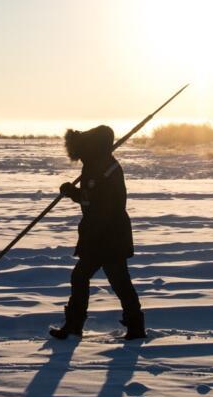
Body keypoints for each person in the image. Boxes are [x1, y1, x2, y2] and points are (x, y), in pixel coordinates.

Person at [49, 125, 147, 340]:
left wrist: (76, 194)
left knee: (117, 281)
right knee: (86, 278)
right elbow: (90, 197)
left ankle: (135, 327)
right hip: (98, 233)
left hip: (109, 235)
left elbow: (102, 202)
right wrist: (73, 193)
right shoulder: (95, 164)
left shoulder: (106, 167)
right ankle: (75, 326)